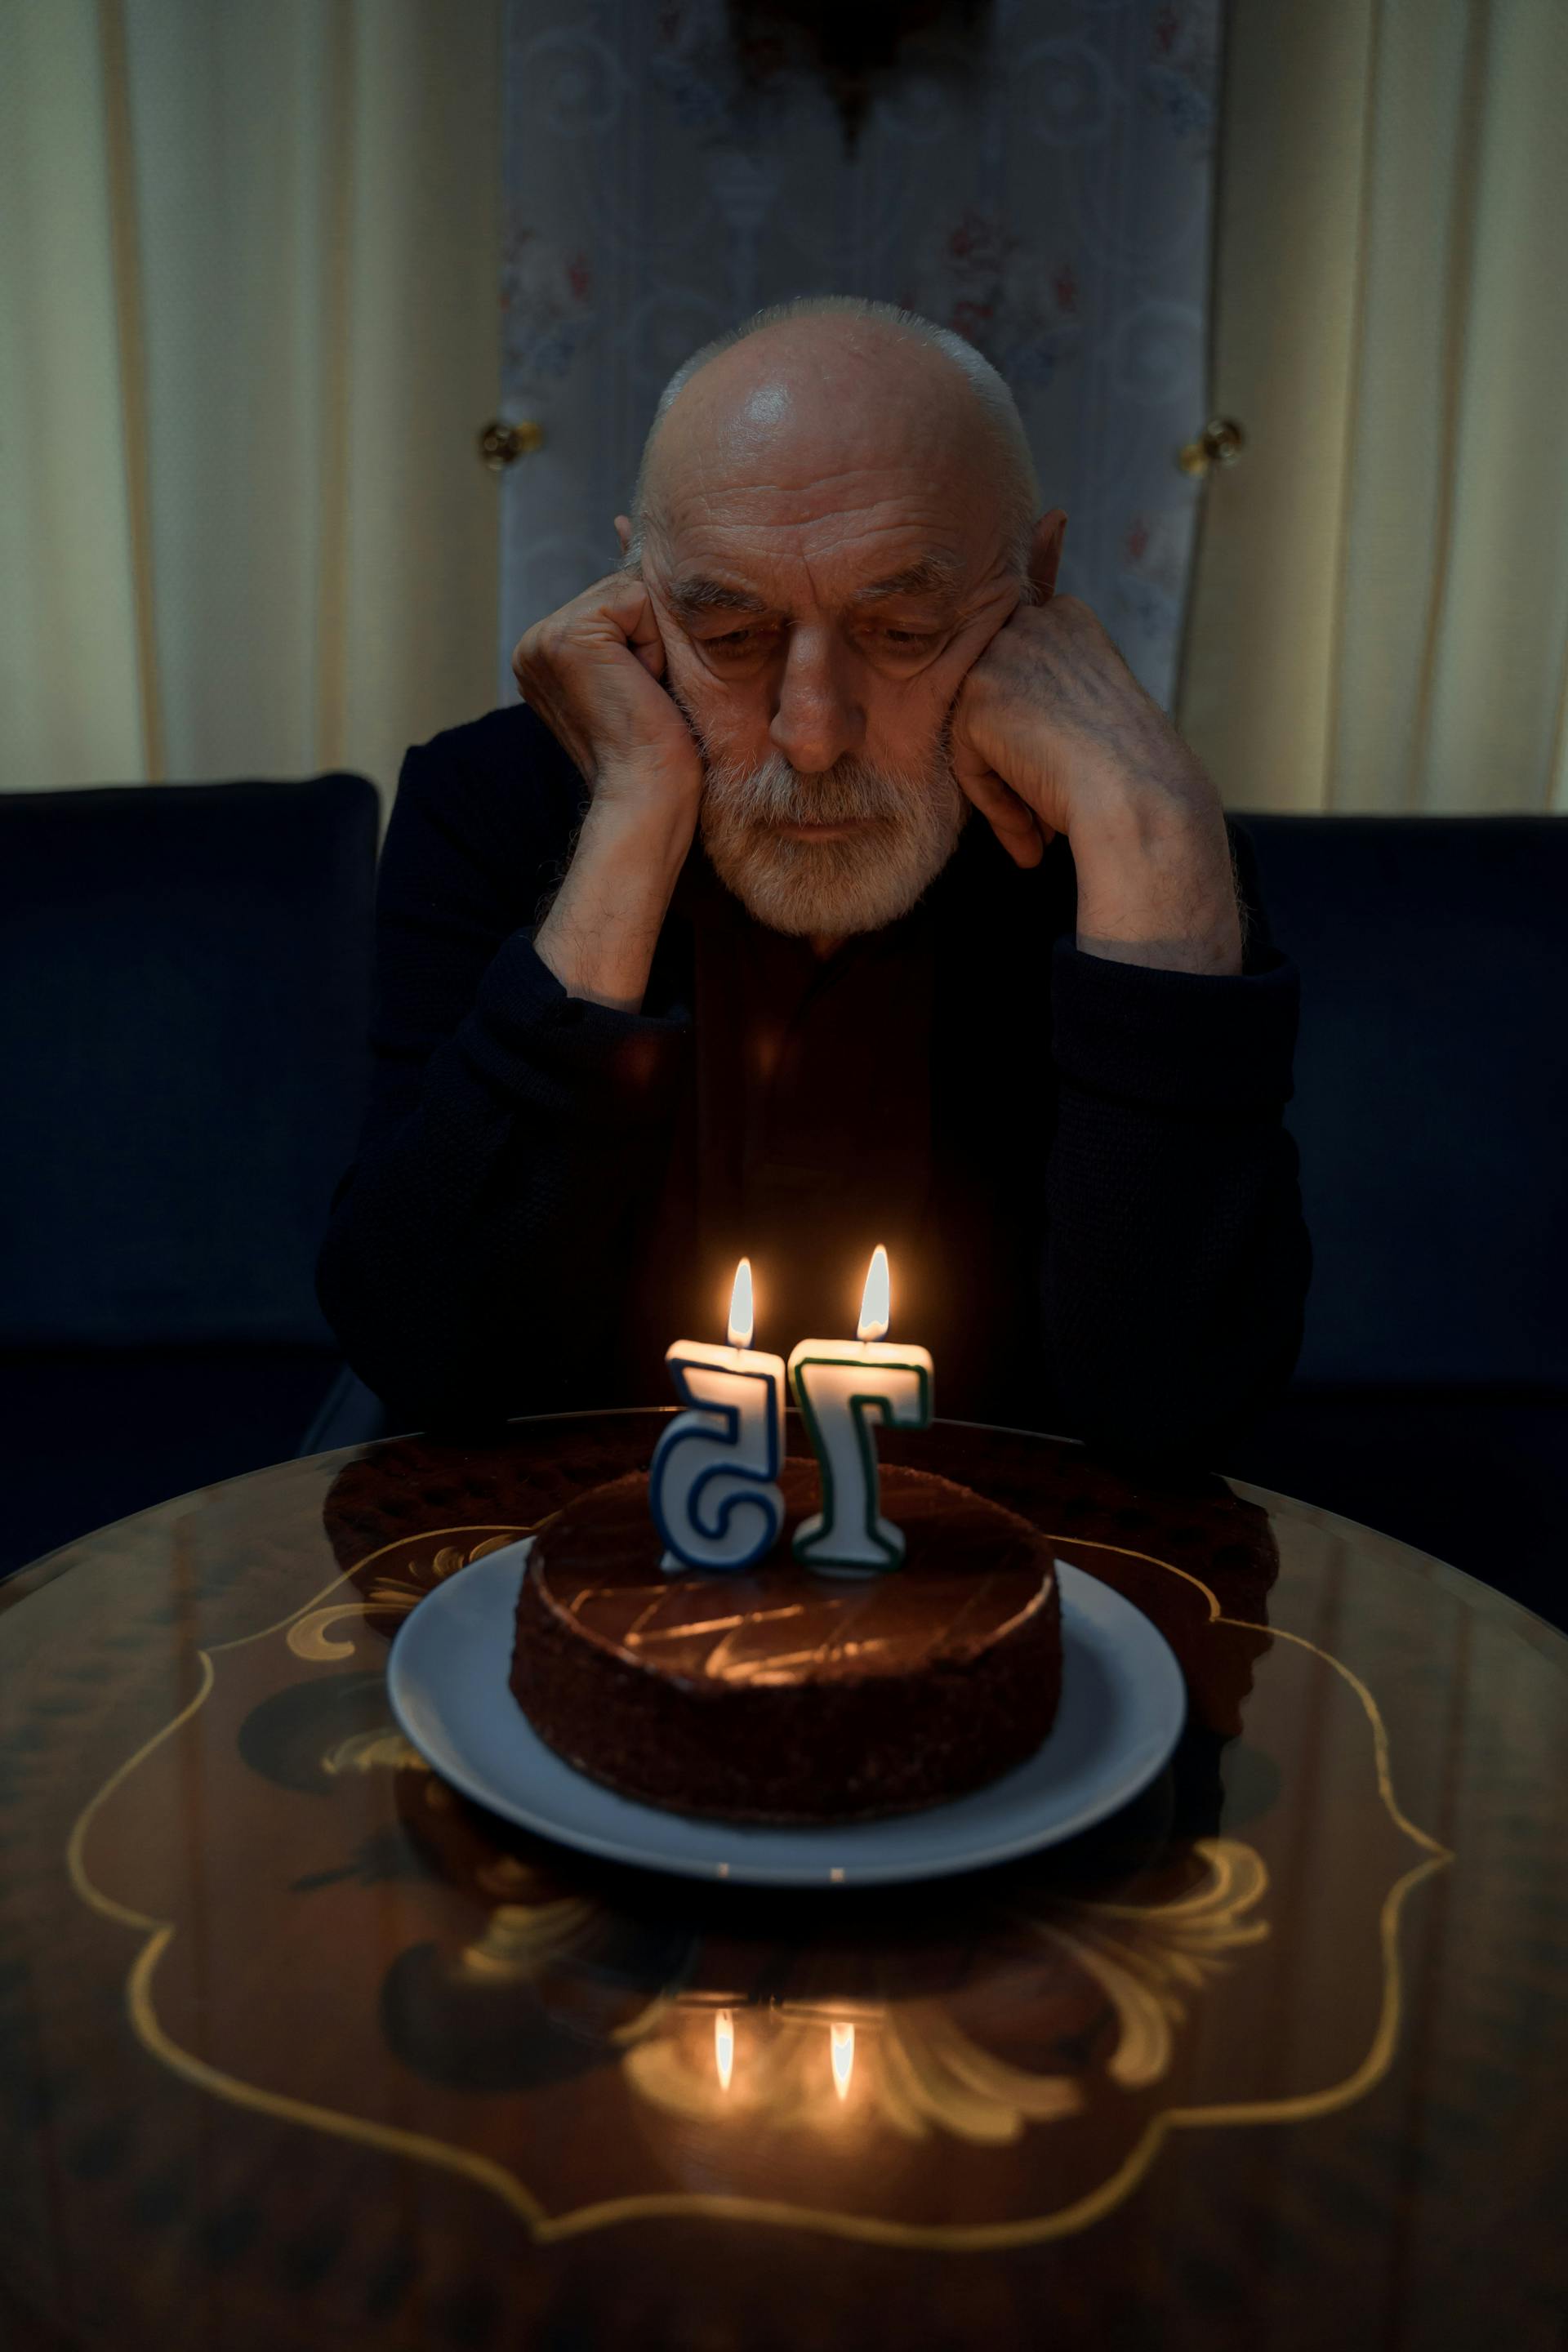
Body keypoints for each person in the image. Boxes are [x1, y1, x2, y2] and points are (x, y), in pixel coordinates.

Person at [316, 296, 1310, 1464]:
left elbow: (1178, 1421)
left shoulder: (1138, 855)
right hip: (575, 1571)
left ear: (1031, 587)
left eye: (901, 629)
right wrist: (633, 814)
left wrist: (1155, 834)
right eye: (729, 637)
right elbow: (424, 1358)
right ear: (637, 604)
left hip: (1007, 1580)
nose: (812, 732)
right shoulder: (491, 804)